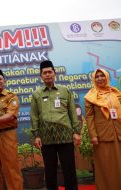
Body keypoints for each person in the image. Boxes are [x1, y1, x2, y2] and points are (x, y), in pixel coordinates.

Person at [30, 60, 81, 190]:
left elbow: (72, 113)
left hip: (65, 136)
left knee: (69, 170)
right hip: (46, 138)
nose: (47, 75)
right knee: (50, 171)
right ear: (41, 76)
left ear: (54, 73)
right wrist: (36, 135)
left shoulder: (65, 91)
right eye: (44, 73)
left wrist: (76, 132)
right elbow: (34, 116)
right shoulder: (37, 94)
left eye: (50, 72)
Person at [84, 68, 121, 190]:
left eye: (102, 76)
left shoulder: (115, 93)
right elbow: (89, 117)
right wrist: (93, 135)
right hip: (103, 137)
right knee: (106, 166)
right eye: (97, 77)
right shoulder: (90, 96)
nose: (100, 78)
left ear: (107, 77)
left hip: (118, 134)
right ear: (94, 79)